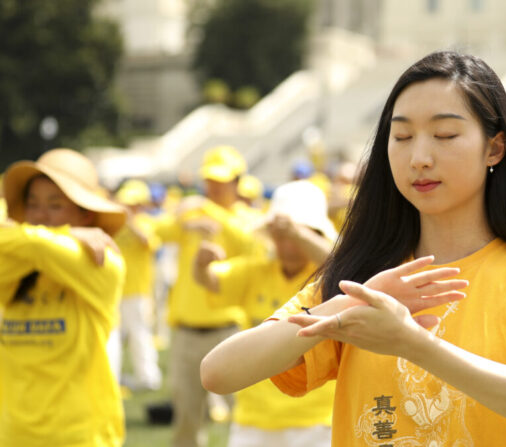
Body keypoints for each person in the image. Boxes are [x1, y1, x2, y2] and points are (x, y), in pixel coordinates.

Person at [201, 51, 506, 447]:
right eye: (401, 136)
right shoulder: (366, 282)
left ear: (494, 147)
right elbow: (219, 372)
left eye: (444, 134)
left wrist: (415, 345)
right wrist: (340, 309)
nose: (419, 157)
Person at [194, 180, 337, 447]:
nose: (285, 241)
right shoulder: (256, 271)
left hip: (315, 421)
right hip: (253, 420)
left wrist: (296, 233)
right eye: (278, 233)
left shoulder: (328, 278)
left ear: (315, 232)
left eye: (295, 232)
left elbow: (348, 270)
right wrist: (200, 264)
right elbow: (210, 281)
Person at [0, 148, 127, 446]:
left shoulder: (101, 260)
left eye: (55, 206)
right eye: (32, 205)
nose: (41, 216)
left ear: (86, 213)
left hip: (81, 436)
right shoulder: (17, 267)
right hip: (15, 435)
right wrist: (67, 232)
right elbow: (36, 246)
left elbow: (40, 246)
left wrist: (63, 236)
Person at [156, 145, 256, 447]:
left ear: (237, 183)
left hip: (230, 330)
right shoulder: (192, 215)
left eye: (220, 181)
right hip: (186, 331)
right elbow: (158, 232)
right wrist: (183, 220)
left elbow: (249, 241)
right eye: (209, 180)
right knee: (186, 416)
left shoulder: (246, 218)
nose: (212, 187)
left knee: (246, 412)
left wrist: (206, 212)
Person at [111, 179, 163, 391]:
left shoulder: (146, 222)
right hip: (115, 289)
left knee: (140, 334)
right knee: (112, 336)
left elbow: (150, 243)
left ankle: (148, 378)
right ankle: (112, 379)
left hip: (138, 290)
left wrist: (129, 221)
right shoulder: (115, 225)